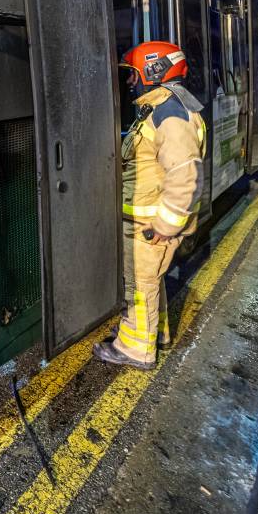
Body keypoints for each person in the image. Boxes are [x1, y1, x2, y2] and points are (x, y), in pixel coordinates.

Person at [94, 41, 206, 371]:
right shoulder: (161, 108)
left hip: (149, 224)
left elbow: (186, 174)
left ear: (153, 71)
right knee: (150, 281)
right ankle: (153, 334)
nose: (130, 81)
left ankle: (135, 349)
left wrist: (164, 226)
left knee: (139, 284)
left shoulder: (170, 114)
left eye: (133, 74)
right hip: (148, 219)